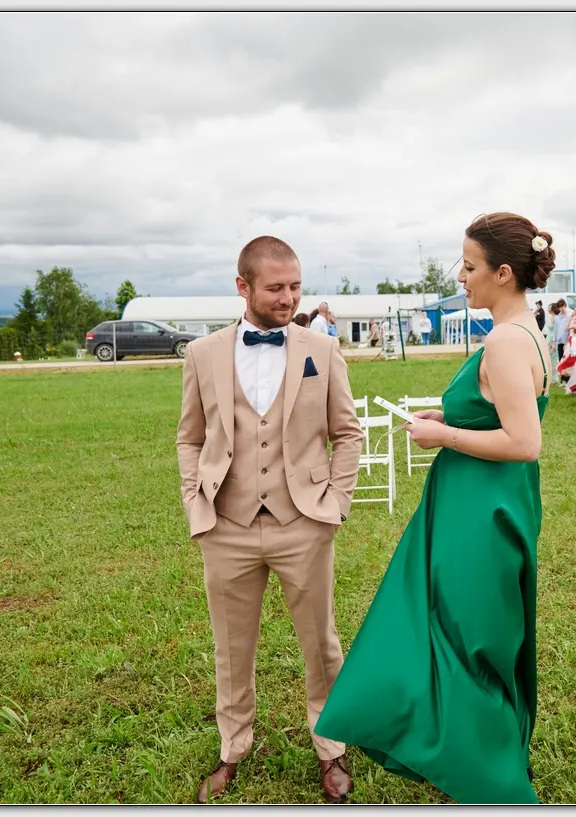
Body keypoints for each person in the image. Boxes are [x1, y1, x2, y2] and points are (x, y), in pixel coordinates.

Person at [315, 211, 553, 804]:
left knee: (466, 637)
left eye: (469, 267)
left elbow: (524, 441)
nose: (461, 277)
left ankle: (490, 776)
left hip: (480, 514)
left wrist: (443, 436)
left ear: (503, 273)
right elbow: (501, 410)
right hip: (488, 505)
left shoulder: (504, 340)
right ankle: (467, 753)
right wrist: (450, 414)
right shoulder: (527, 331)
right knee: (472, 630)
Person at [176, 236, 364, 804]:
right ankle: (232, 748)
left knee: (321, 644)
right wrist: (196, 504)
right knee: (231, 647)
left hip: (303, 522)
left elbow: (347, 432)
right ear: (243, 286)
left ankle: (331, 747)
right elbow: (190, 438)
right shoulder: (202, 354)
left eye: (295, 287)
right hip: (225, 525)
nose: (288, 298)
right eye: (276, 288)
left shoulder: (321, 350)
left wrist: (335, 504)